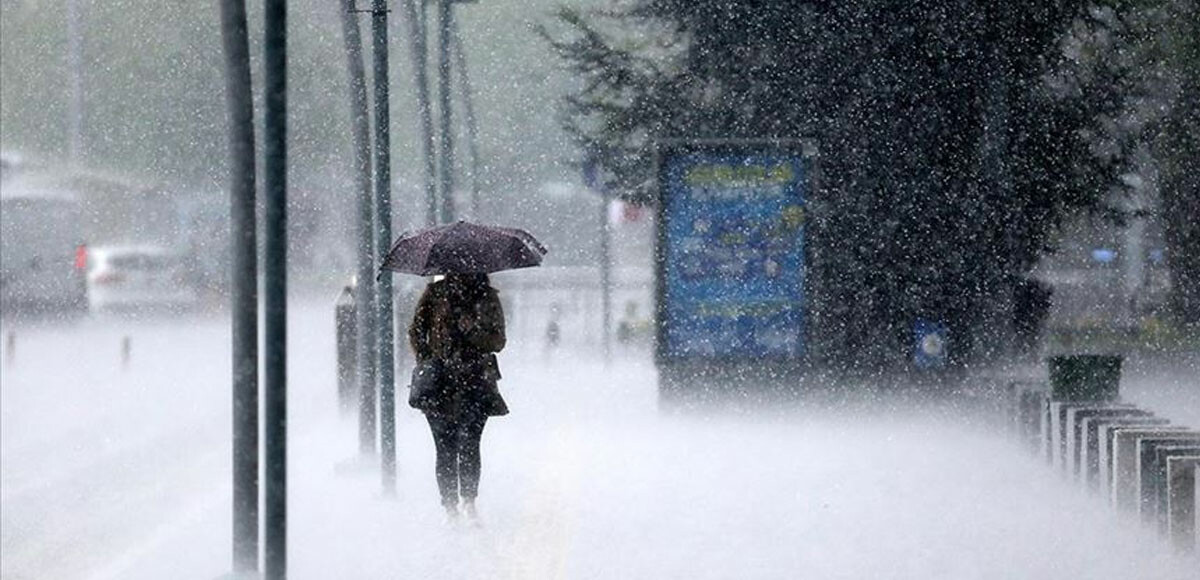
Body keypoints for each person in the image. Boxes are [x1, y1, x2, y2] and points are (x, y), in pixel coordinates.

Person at [408, 273, 508, 522]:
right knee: (445, 447)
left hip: (476, 382)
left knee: (470, 444)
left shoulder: (488, 297)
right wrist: (428, 359)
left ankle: (469, 501)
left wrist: (472, 331)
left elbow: (498, 341)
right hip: (439, 384)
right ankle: (450, 507)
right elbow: (416, 331)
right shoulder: (435, 294)